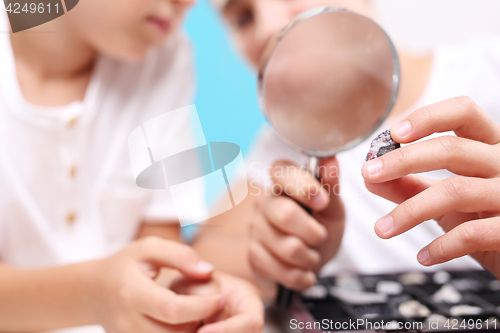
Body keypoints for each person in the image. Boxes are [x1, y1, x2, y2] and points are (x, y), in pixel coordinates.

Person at [193, 0, 500, 300]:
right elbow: (206, 256)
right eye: (244, 17)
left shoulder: (490, 68)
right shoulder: (283, 146)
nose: (267, 27)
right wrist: (274, 253)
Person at [0, 0, 263, 332]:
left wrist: (199, 298)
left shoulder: (165, 58)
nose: (189, 3)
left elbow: (160, 257)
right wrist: (91, 296)